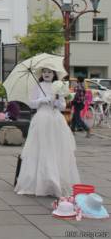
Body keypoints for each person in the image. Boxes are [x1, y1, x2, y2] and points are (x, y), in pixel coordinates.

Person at [15, 67, 80, 197]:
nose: (46, 74)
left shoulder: (59, 86)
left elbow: (63, 106)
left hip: (56, 121)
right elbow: (31, 104)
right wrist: (42, 100)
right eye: (44, 72)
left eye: (50, 72)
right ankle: (39, 181)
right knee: (41, 149)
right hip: (41, 120)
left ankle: (55, 180)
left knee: (55, 150)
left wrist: (56, 100)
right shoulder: (38, 86)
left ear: (54, 74)